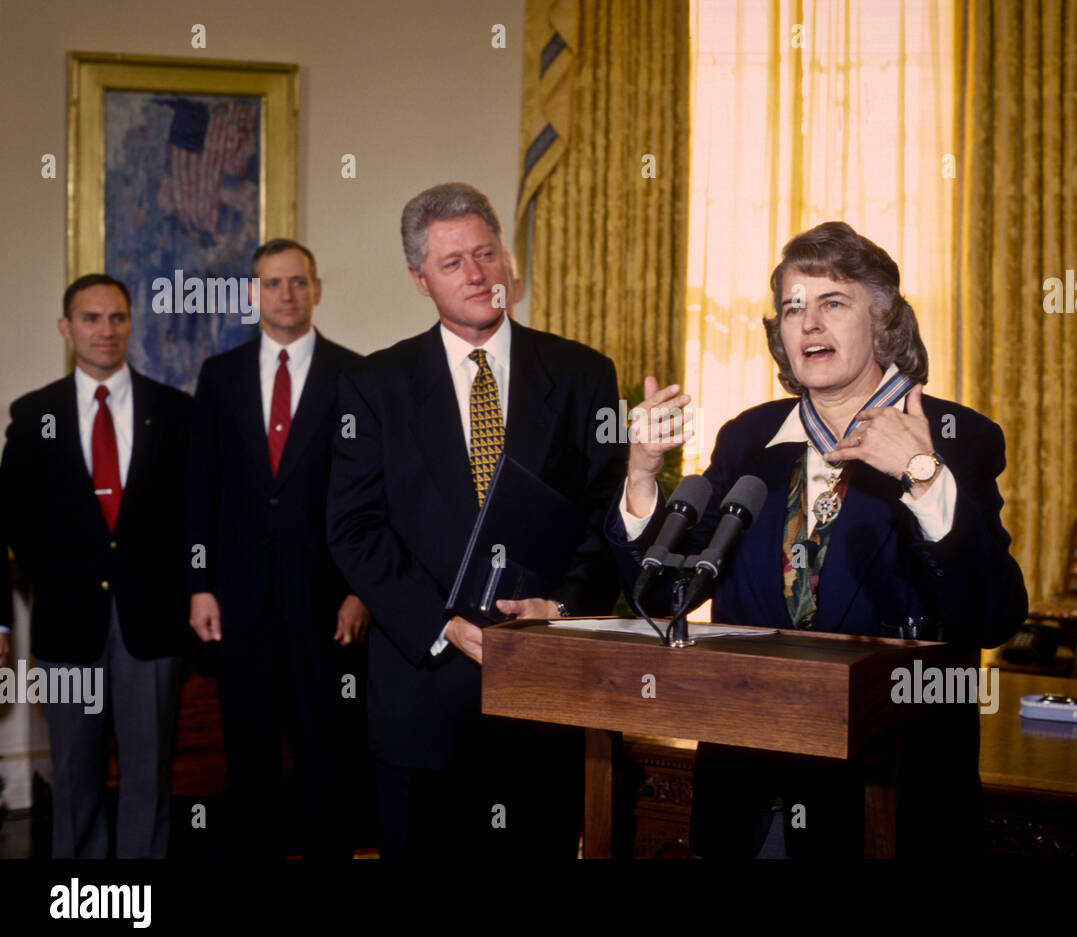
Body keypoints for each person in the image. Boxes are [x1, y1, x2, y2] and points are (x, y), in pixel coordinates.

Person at [606, 221, 1029, 857]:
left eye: (833, 302)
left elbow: (991, 616)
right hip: (746, 795)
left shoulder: (954, 436)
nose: (808, 323)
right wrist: (641, 475)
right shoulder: (747, 440)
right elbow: (669, 596)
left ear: (884, 323)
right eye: (792, 308)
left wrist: (921, 475)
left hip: (884, 802)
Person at [326, 182, 626, 858]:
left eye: (486, 254)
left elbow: (606, 511)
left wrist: (562, 606)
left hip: (544, 690)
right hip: (420, 698)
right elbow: (354, 527)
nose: (476, 274)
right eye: (452, 262)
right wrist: (441, 623)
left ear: (507, 260)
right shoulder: (374, 387)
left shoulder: (583, 374)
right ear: (420, 280)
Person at [185, 239, 369, 858]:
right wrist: (201, 585)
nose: (285, 295)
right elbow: (200, 488)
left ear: (316, 289)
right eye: (272, 283)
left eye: (297, 282)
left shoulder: (357, 376)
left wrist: (357, 591)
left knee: (329, 754)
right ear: (251, 294)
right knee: (249, 754)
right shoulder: (219, 376)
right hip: (238, 605)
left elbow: (373, 497)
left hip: (325, 607)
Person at [0, 274, 191, 858]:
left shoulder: (175, 411)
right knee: (75, 775)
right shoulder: (35, 415)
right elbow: (13, 525)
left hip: (152, 627)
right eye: (90, 318)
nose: (105, 330)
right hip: (66, 624)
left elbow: (193, 517)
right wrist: (54, 579)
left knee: (149, 775)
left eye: (116, 318)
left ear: (131, 323)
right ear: (67, 327)